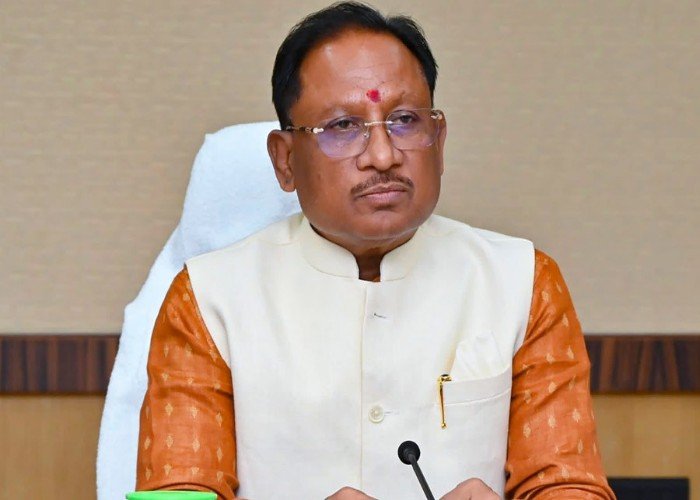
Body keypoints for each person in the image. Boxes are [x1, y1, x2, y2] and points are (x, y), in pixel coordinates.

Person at [135, 2, 615, 499]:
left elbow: (568, 486)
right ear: (285, 160)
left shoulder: (523, 283)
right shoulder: (208, 299)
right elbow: (180, 487)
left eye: (405, 120)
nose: (384, 156)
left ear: (439, 141)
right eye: (343, 126)